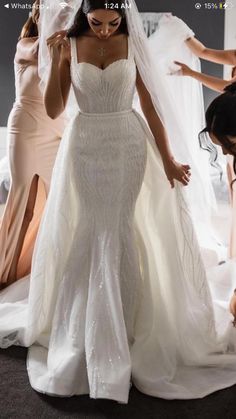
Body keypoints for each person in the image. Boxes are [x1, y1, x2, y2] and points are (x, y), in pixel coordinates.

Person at [2, 0, 236, 404]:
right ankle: (85, 329)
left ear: (123, 17)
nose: (106, 30)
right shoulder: (69, 44)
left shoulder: (132, 42)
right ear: (84, 17)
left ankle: (125, 327)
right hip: (85, 145)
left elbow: (149, 105)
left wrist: (167, 159)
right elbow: (57, 109)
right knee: (92, 229)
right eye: (97, 22)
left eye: (113, 22)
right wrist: (57, 61)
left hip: (128, 144)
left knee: (119, 229)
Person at [0, 0, 65, 287]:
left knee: (52, 202)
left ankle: (37, 269)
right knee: (22, 201)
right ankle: (6, 271)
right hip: (24, 127)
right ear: (37, 12)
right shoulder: (26, 43)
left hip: (55, 130)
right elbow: (39, 54)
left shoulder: (60, 46)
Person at [173, 36, 236, 258]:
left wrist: (192, 74)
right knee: (233, 193)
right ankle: (232, 251)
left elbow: (227, 88)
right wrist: (183, 32)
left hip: (232, 126)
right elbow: (204, 51)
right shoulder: (235, 55)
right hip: (231, 123)